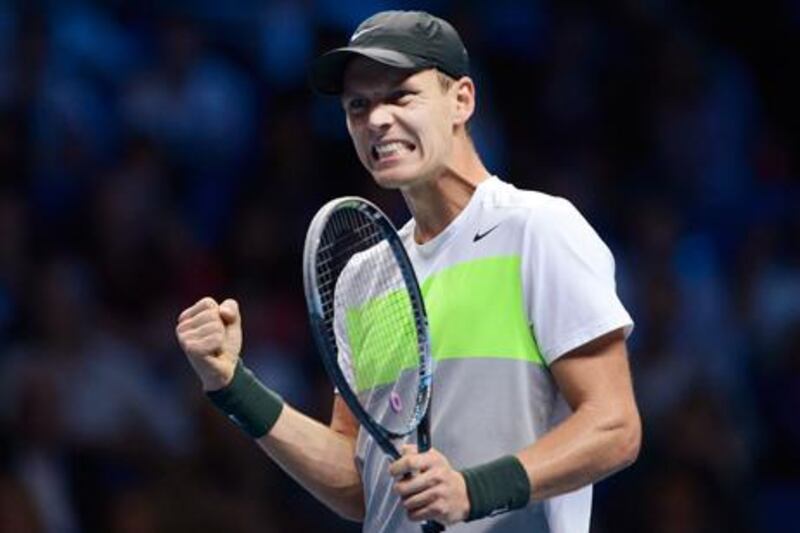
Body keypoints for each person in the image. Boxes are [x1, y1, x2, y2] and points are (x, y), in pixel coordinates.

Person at [175, 10, 641, 533]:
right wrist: (232, 386)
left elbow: (614, 426)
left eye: (401, 96)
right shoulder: (364, 278)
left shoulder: (538, 230)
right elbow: (359, 483)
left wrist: (473, 490)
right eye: (358, 106)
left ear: (461, 100)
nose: (376, 120)